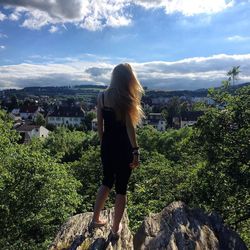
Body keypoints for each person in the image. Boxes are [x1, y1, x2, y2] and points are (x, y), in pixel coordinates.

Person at [89, 63, 145, 242]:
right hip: (123, 147)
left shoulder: (102, 96)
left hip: (107, 145)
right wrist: (136, 151)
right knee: (122, 188)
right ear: (129, 79)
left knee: (106, 181)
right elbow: (129, 128)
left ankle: (96, 219)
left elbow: (100, 125)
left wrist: (103, 143)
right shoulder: (126, 98)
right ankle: (114, 230)